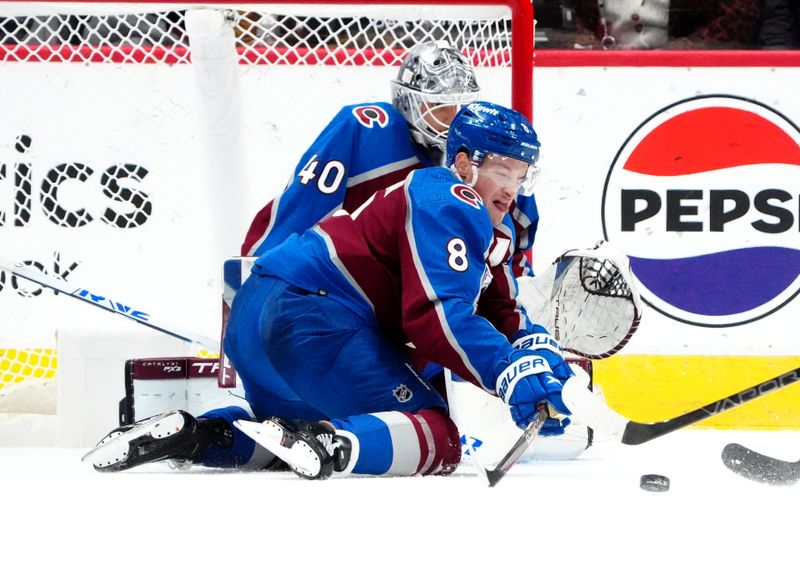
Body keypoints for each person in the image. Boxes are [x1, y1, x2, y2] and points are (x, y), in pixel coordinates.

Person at [83, 101, 574, 480]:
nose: (513, 187)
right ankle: (330, 447)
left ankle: (197, 436)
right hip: (312, 320)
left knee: (287, 436)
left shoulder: (484, 223)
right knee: (436, 436)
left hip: (260, 317)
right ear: (465, 164)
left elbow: (499, 310)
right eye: (502, 171)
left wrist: (531, 349)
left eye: (521, 174)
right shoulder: (449, 195)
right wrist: (507, 373)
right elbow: (435, 315)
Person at [239, 40, 539, 279]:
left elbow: (516, 239)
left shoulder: (486, 154)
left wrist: (518, 292)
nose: (452, 117)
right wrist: (260, 271)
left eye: (462, 104)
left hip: (443, 293)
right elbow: (302, 208)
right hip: (354, 293)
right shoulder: (368, 130)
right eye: (439, 105)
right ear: (408, 99)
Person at [559, 0, 759, 49]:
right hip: (594, 73)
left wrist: (684, 51)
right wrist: (584, 43)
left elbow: (739, 13)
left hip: (687, 77)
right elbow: (563, 11)